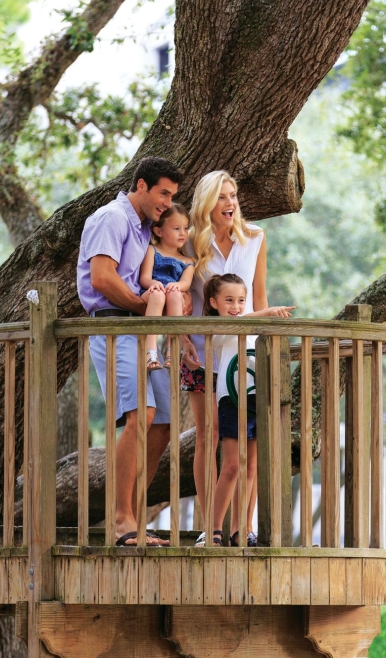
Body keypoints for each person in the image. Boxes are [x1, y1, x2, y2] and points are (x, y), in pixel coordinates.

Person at [77, 156, 184, 546]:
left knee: (163, 422)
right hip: (115, 325)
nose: (167, 202)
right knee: (142, 414)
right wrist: (143, 306)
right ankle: (121, 522)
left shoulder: (143, 231)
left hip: (142, 329)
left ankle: (134, 518)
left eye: (173, 195)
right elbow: (102, 278)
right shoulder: (112, 218)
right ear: (141, 185)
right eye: (163, 193)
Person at [181, 170, 270, 545]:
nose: (230, 203)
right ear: (206, 203)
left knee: (250, 441)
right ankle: (210, 528)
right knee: (208, 436)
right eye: (221, 197)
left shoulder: (255, 238)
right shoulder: (190, 243)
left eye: (233, 195)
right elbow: (186, 300)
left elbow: (260, 297)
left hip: (244, 357)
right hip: (203, 354)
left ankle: (243, 528)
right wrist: (183, 340)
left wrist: (265, 350)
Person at [201, 274, 293, 546]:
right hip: (232, 397)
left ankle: (241, 529)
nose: (236, 306)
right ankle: (214, 529)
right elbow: (231, 327)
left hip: (256, 397)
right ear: (214, 302)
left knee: (251, 467)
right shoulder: (219, 327)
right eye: (229, 300)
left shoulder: (251, 327)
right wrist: (263, 313)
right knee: (231, 465)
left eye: (241, 300)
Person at [137, 203, 195, 370]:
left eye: (185, 228)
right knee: (158, 295)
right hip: (151, 293)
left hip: (172, 295)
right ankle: (150, 351)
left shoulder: (188, 261)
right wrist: (154, 284)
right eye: (177, 228)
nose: (183, 233)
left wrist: (176, 285)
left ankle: (172, 349)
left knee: (175, 294)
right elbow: (144, 278)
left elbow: (186, 283)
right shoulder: (151, 251)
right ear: (159, 231)